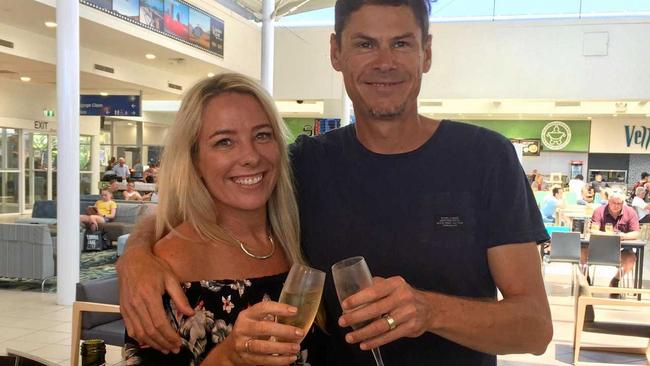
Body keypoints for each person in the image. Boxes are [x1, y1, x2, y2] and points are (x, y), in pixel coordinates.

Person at [117, 1, 552, 365]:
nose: (385, 62)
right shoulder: (305, 164)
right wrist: (136, 256)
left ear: (427, 53)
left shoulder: (485, 157)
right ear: (336, 53)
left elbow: (534, 328)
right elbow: (213, 192)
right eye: (365, 44)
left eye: (401, 43)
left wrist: (429, 310)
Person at [121, 74, 324, 365]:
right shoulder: (166, 270)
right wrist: (229, 357)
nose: (251, 156)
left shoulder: (301, 236)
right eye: (225, 142)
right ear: (194, 161)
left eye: (262, 135)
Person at [584, 189, 638, 291]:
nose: (616, 205)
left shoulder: (630, 212)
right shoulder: (599, 211)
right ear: (609, 201)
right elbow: (593, 231)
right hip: (598, 248)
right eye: (613, 203)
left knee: (631, 259)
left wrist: (623, 236)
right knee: (581, 252)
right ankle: (585, 279)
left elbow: (636, 233)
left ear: (623, 203)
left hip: (621, 250)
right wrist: (611, 235)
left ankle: (615, 280)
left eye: (619, 203)